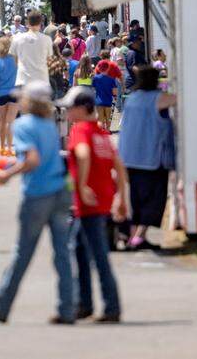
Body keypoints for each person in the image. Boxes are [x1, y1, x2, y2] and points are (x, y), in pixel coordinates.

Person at [0, 81, 76, 325]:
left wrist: (6, 174)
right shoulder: (49, 125)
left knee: (23, 253)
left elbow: (32, 159)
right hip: (60, 192)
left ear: (29, 101)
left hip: (38, 194)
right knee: (62, 253)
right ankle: (67, 308)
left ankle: (1, 305)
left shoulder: (22, 125)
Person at [56, 87, 127, 323]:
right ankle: (83, 304)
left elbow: (83, 155)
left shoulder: (81, 131)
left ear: (83, 108)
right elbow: (118, 166)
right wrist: (122, 198)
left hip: (88, 204)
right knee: (78, 248)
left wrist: (83, 185)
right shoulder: (101, 133)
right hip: (102, 201)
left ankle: (111, 307)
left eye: (70, 107)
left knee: (98, 255)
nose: (67, 111)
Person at [118, 65, 177, 250]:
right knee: (154, 199)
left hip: (129, 157)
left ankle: (132, 236)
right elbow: (180, 99)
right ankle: (139, 237)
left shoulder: (132, 99)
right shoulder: (158, 99)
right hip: (152, 158)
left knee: (136, 199)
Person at [0, 37, 19, 155]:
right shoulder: (16, 60)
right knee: (10, 122)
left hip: (1, 93)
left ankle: (2, 147)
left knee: (2, 121)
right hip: (15, 93)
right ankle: (10, 148)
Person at [10, 11, 54, 89]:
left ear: (27, 22)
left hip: (23, 80)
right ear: (41, 23)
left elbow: (14, 59)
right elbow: (49, 60)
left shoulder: (17, 38)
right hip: (42, 80)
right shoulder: (47, 39)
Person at [92, 61, 120, 130]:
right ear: (108, 68)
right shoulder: (111, 79)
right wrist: (115, 97)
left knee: (100, 118)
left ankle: (101, 130)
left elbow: (93, 89)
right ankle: (107, 129)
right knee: (108, 117)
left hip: (98, 101)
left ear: (99, 68)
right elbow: (114, 91)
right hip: (108, 101)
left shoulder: (95, 78)